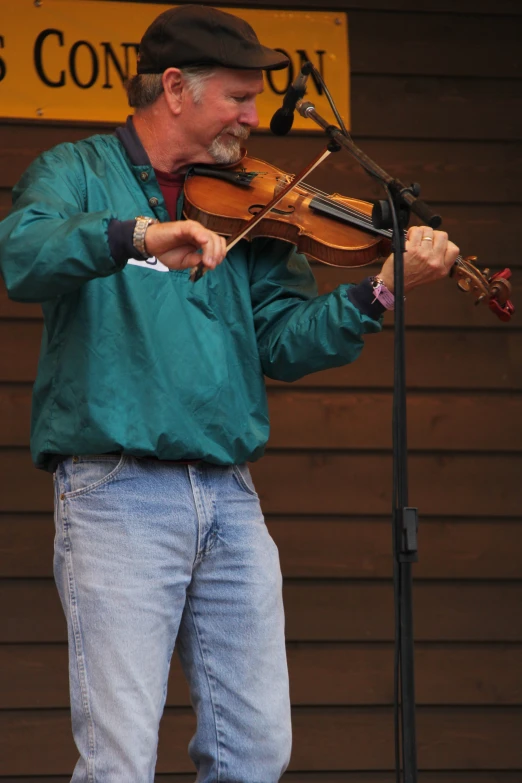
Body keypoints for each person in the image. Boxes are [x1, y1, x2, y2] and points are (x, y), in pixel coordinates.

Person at [0, 5, 459, 782]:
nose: (252, 117)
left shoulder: (252, 200)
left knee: (255, 747)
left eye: (254, 99)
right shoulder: (74, 170)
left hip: (231, 497)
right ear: (175, 88)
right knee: (117, 757)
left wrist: (378, 294)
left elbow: (281, 337)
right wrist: (140, 235)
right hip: (117, 490)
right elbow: (23, 252)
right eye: (238, 98)